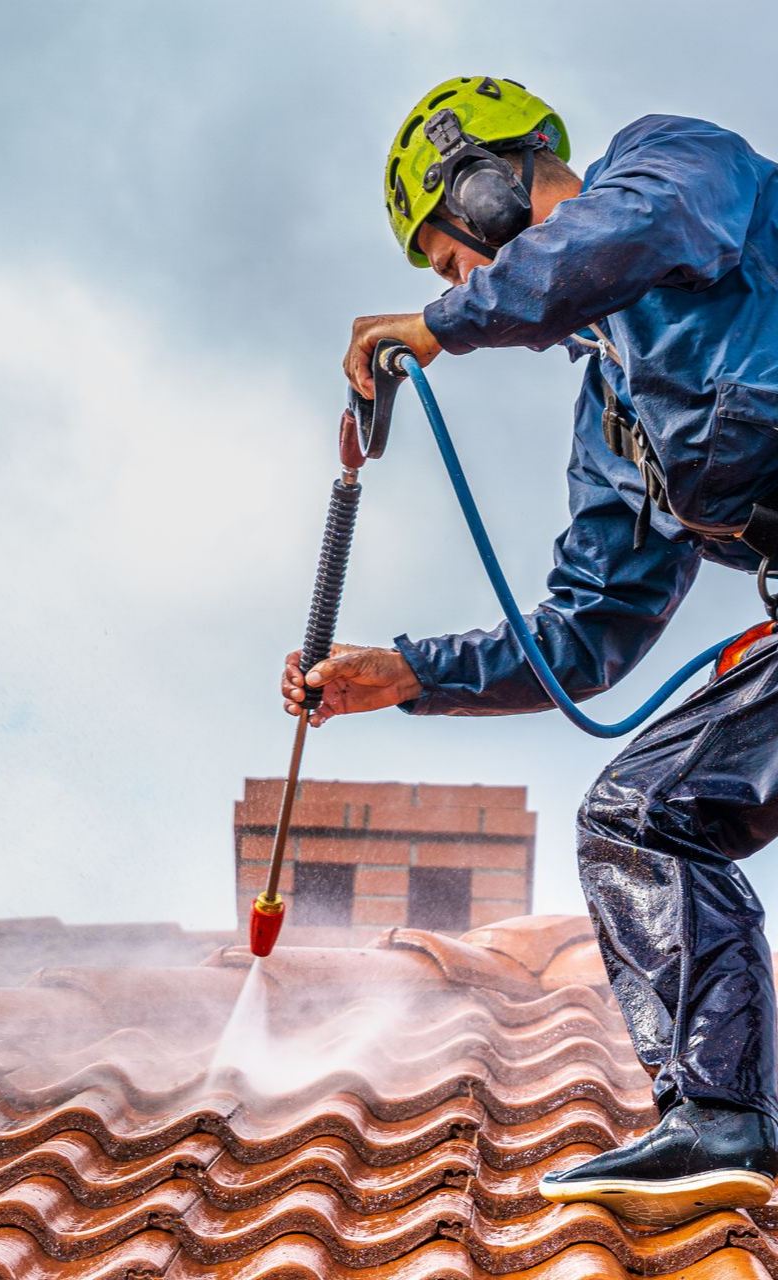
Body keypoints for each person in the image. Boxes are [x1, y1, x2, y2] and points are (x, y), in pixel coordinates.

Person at [281, 75, 778, 1228]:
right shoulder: (617, 411)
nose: (456, 286)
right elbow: (587, 630)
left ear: (491, 179)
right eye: (448, 282)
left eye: (449, 255)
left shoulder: (672, 166)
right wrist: (404, 673)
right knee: (639, 812)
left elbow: (636, 232)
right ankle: (721, 1114)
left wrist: (453, 323)